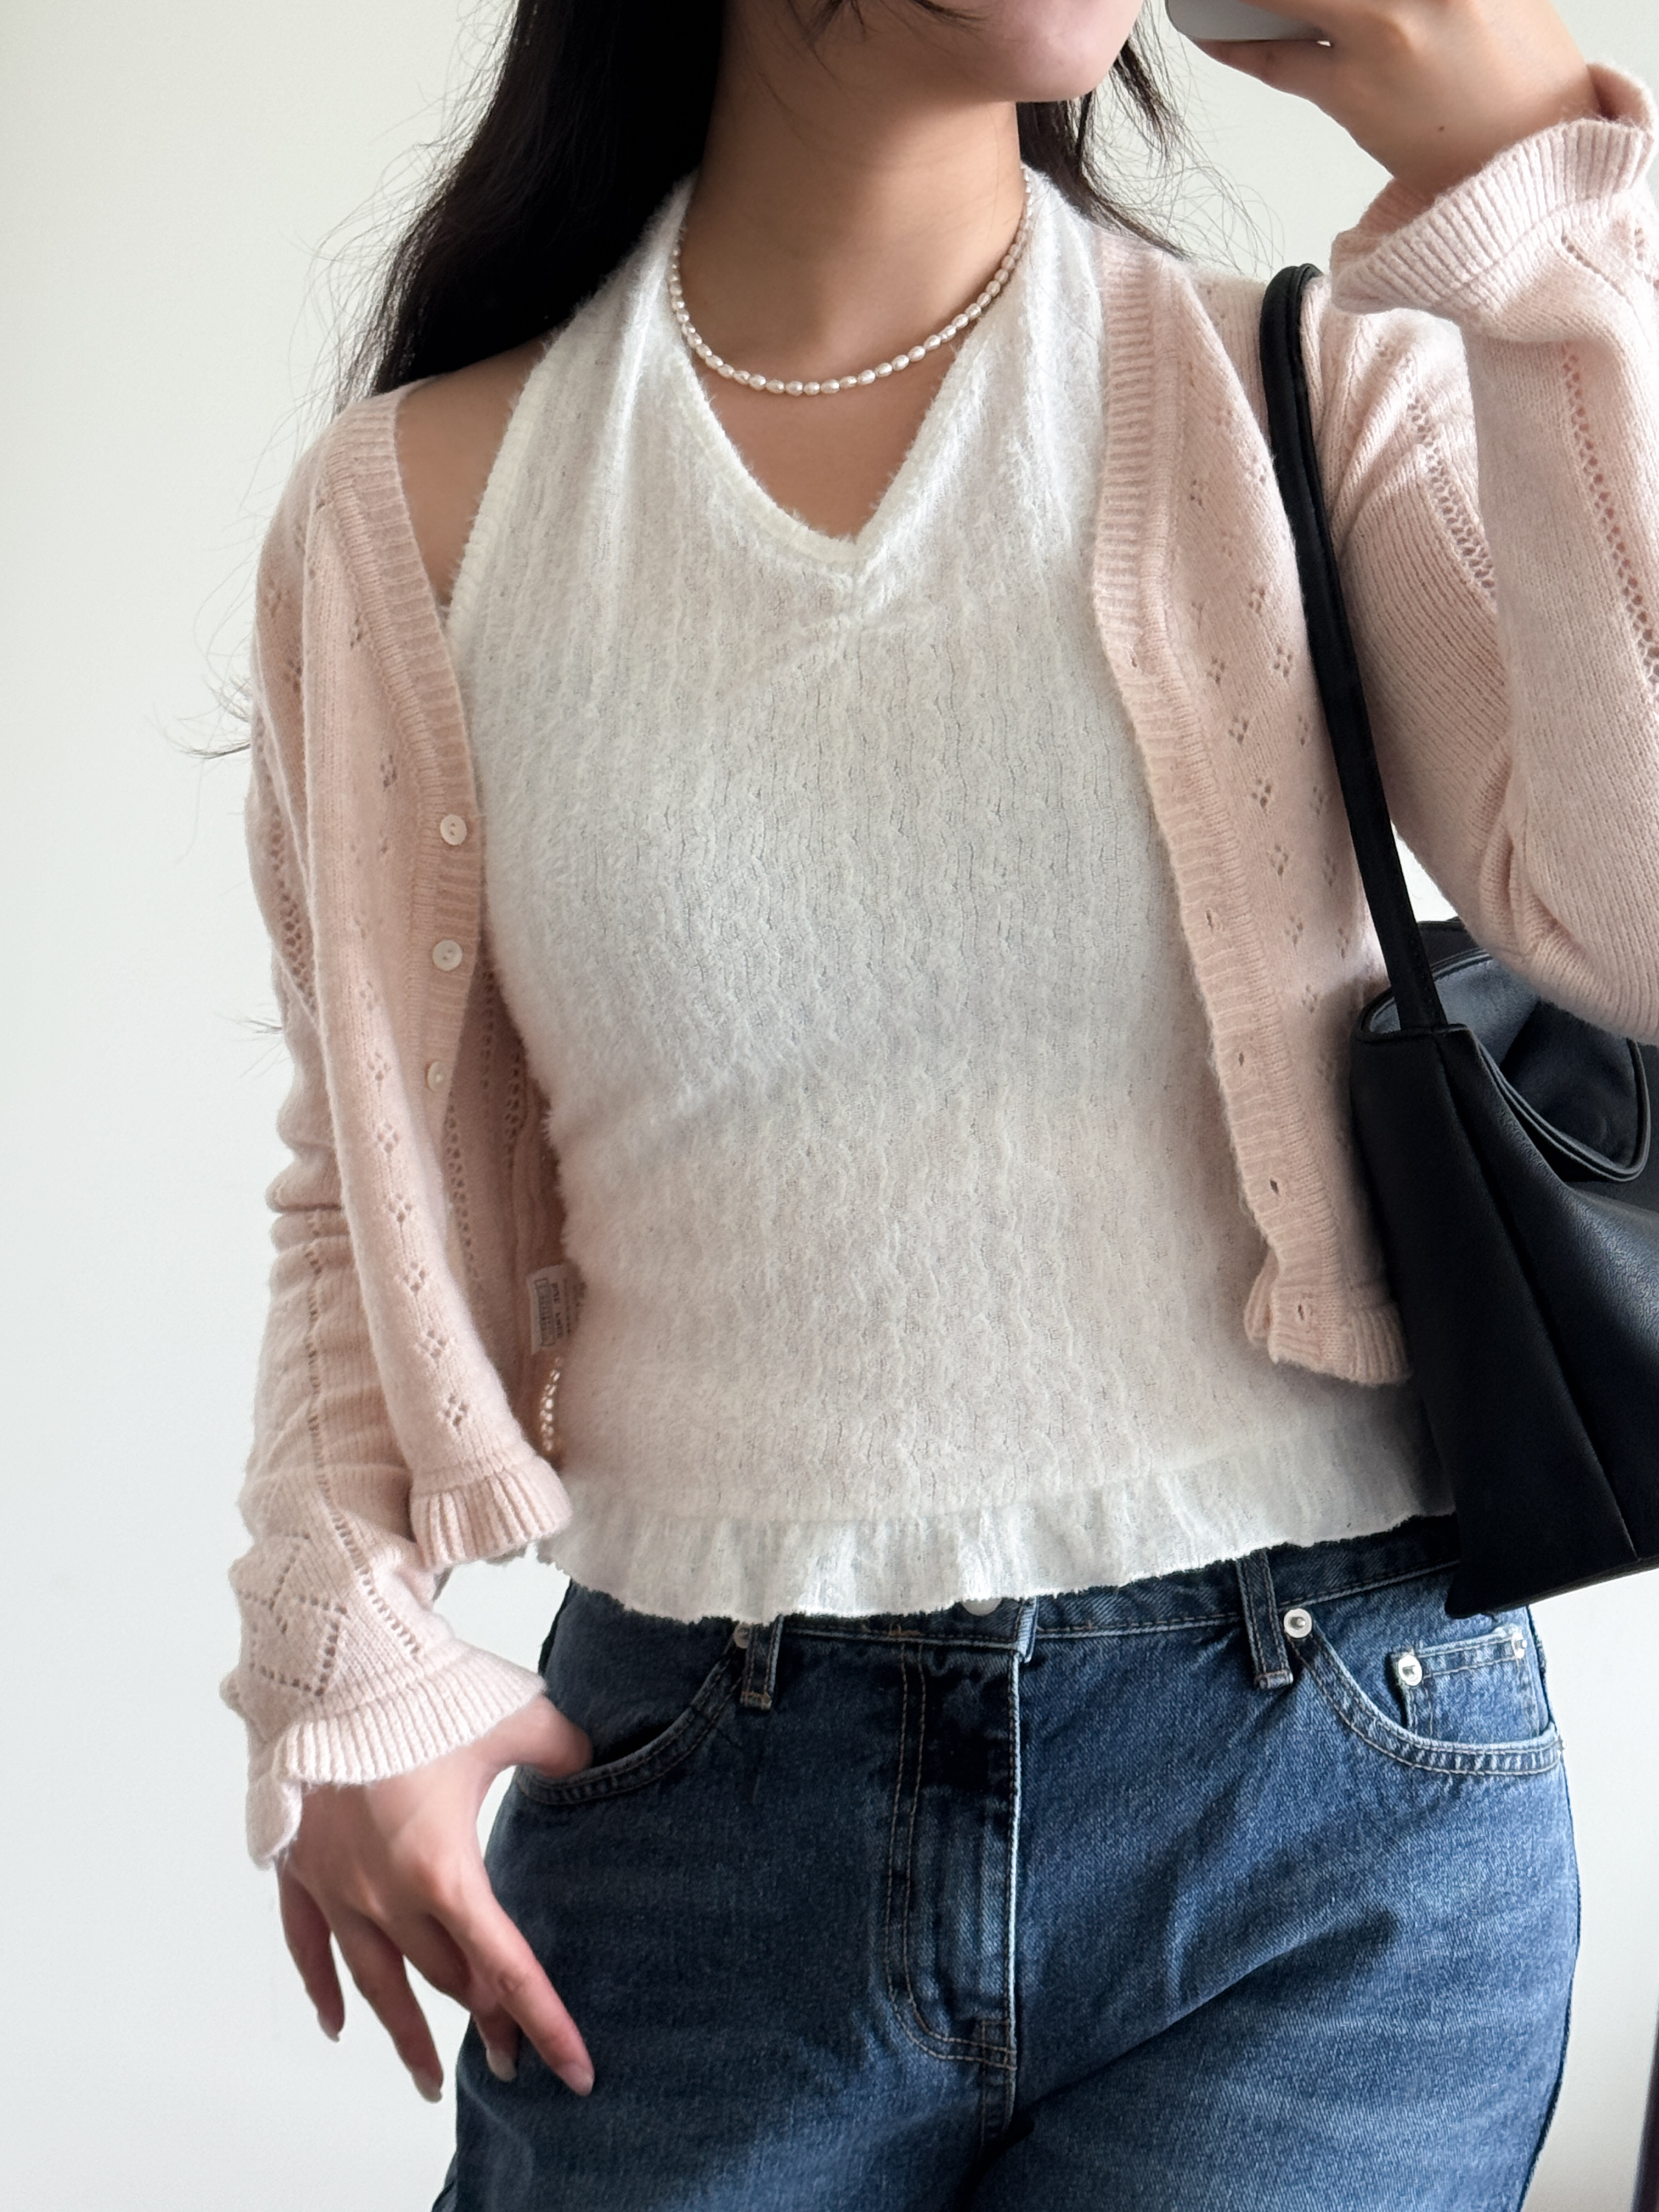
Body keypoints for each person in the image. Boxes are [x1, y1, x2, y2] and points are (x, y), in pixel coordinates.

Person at [223, 1, 1659, 2204]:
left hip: (1323, 1817)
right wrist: (340, 1666)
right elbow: (363, 1186)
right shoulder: (411, 511)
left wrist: (1541, 201)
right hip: (694, 1808)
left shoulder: (1301, 388)